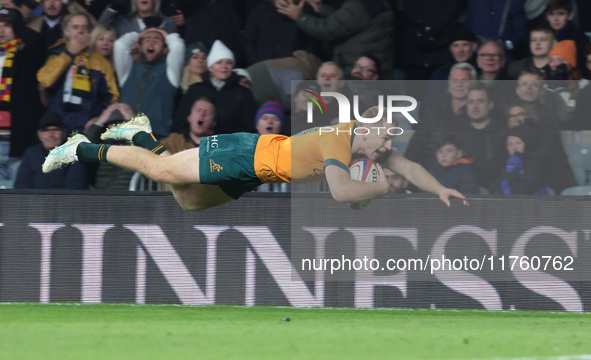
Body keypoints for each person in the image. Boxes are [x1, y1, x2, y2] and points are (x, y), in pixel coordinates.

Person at [42, 106, 469, 211]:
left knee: (186, 200)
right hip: (244, 153)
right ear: (372, 128)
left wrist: (440, 189)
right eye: (385, 141)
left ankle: (139, 132)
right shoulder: (340, 142)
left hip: (257, 172)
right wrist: (378, 186)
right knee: (159, 171)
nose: (386, 152)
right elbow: (341, 193)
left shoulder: (366, 141)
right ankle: (79, 147)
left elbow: (408, 167)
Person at [37, 12, 119, 133]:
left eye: (84, 27)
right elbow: (44, 80)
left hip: (87, 126)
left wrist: (100, 119)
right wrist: (70, 53)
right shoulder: (56, 54)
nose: (80, 31)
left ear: (90, 32)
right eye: (75, 27)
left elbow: (112, 96)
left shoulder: (101, 62)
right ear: (66, 32)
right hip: (57, 126)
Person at [276, 0, 393, 80]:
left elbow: (327, 30)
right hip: (363, 70)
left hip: (359, 74)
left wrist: (299, 16)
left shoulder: (362, 5)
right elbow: (344, 21)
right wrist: (321, 9)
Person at [0, 8, 47, 182]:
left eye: (7, 25)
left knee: (16, 200)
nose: (1, 30)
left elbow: (38, 42)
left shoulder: (26, 55)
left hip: (17, 142)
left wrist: (17, 24)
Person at [173, 40, 257, 136]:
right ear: (210, 67)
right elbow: (180, 121)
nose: (224, 67)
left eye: (228, 63)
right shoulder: (195, 90)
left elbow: (250, 125)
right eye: (219, 62)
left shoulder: (243, 93)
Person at [114, 27, 184, 138]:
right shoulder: (128, 70)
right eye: (147, 39)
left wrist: (166, 35)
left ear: (164, 49)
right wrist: (137, 35)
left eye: (157, 40)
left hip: (156, 134)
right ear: (140, 47)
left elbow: (178, 46)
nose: (151, 42)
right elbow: (120, 45)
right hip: (125, 133)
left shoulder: (170, 72)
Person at [452, 85, 506, 193]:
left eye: (480, 101)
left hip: (495, 194)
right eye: (471, 102)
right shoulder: (456, 132)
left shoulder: (503, 133)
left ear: (490, 105)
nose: (475, 106)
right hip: (463, 191)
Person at [14, 112, 87, 189]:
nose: (51, 134)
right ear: (39, 135)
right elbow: (21, 188)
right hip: (34, 200)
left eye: (56, 129)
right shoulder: (30, 154)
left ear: (64, 133)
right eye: (46, 130)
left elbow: (74, 190)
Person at [16, 0, 96, 48]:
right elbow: (14, 21)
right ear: (41, 3)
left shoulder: (71, 23)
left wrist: (69, 3)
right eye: (47, 0)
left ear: (63, 3)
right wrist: (32, 2)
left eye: (57, 0)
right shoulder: (32, 22)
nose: (51, 4)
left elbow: (94, 27)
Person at [544, 0, 590, 77]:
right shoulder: (543, 36)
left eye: (561, 14)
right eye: (551, 14)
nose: (556, 19)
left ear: (570, 15)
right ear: (547, 17)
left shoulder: (581, 39)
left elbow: (583, 70)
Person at [501, 125, 549, 195]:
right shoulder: (507, 166)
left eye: (518, 143)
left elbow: (518, 195)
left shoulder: (535, 165)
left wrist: (513, 166)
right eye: (510, 144)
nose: (514, 148)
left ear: (528, 143)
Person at [98, 0, 176, 37]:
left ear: (155, 1)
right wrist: (113, 7)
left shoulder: (167, 22)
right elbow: (101, 29)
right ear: (134, 1)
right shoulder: (123, 22)